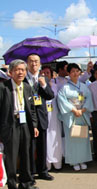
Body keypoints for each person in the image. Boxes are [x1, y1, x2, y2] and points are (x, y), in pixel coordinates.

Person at [0, 59, 39, 189]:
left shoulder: (27, 87)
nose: (20, 72)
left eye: (23, 69)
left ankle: (26, 183)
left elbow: (32, 109)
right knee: (11, 158)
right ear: (10, 72)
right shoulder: (3, 88)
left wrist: (34, 126)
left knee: (26, 155)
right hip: (10, 126)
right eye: (17, 70)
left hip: (25, 126)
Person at [57, 63, 94, 171]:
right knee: (72, 139)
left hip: (82, 114)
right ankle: (74, 161)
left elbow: (88, 99)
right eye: (72, 71)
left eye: (77, 71)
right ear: (68, 73)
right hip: (71, 115)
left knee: (83, 138)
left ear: (79, 72)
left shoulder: (83, 86)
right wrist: (73, 110)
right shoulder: (64, 88)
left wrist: (82, 110)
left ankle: (83, 159)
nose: (75, 73)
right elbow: (62, 101)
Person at [25, 54, 55, 182]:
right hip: (27, 118)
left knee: (42, 146)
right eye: (31, 61)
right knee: (29, 147)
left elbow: (50, 96)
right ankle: (30, 173)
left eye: (36, 61)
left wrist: (44, 85)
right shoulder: (23, 79)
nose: (33, 64)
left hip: (41, 116)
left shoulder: (44, 79)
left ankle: (43, 171)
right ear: (27, 63)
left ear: (40, 63)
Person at [41, 66, 63, 170]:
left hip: (55, 115)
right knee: (46, 139)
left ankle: (57, 162)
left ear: (52, 74)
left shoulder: (56, 85)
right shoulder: (38, 85)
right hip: (44, 115)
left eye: (47, 73)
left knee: (55, 138)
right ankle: (47, 164)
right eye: (43, 73)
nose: (45, 75)